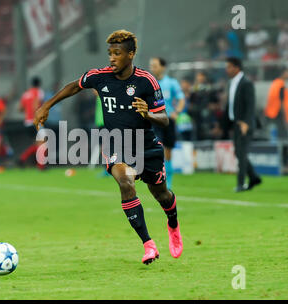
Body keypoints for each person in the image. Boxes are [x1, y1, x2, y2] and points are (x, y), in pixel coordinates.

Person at [34, 30, 183, 264]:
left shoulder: (146, 81)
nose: (112, 58)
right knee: (126, 182)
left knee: (162, 195)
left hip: (146, 145)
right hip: (116, 143)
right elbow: (74, 86)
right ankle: (148, 244)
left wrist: (149, 114)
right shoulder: (100, 76)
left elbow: (164, 119)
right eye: (110, 53)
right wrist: (46, 106)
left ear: (131, 54)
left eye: (118, 53)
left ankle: (173, 224)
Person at [223, 57, 262, 192]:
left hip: (244, 124)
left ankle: (240, 183)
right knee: (240, 154)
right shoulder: (232, 83)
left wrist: (246, 122)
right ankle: (254, 177)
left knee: (241, 153)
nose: (226, 70)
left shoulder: (246, 83)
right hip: (236, 123)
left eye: (228, 67)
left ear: (236, 67)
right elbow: (231, 105)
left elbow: (250, 105)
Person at [149, 57, 185, 189]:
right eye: (151, 66)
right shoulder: (149, 83)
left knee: (168, 150)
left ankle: (168, 178)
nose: (152, 68)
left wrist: (177, 112)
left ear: (163, 67)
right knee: (158, 149)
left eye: (155, 65)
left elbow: (181, 99)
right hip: (154, 120)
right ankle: (159, 177)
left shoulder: (172, 83)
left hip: (168, 120)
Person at [264, 67, 288, 169]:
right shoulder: (280, 85)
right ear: (283, 72)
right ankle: (284, 162)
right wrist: (285, 119)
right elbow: (281, 103)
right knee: (283, 139)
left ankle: (281, 161)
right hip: (279, 116)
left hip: (273, 115)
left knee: (278, 139)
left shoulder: (275, 84)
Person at [18, 77, 45, 169]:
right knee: (42, 143)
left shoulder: (26, 94)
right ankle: (41, 166)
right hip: (36, 121)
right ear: (39, 84)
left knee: (37, 144)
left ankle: (22, 159)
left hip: (27, 122)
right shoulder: (38, 92)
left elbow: (20, 108)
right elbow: (36, 105)